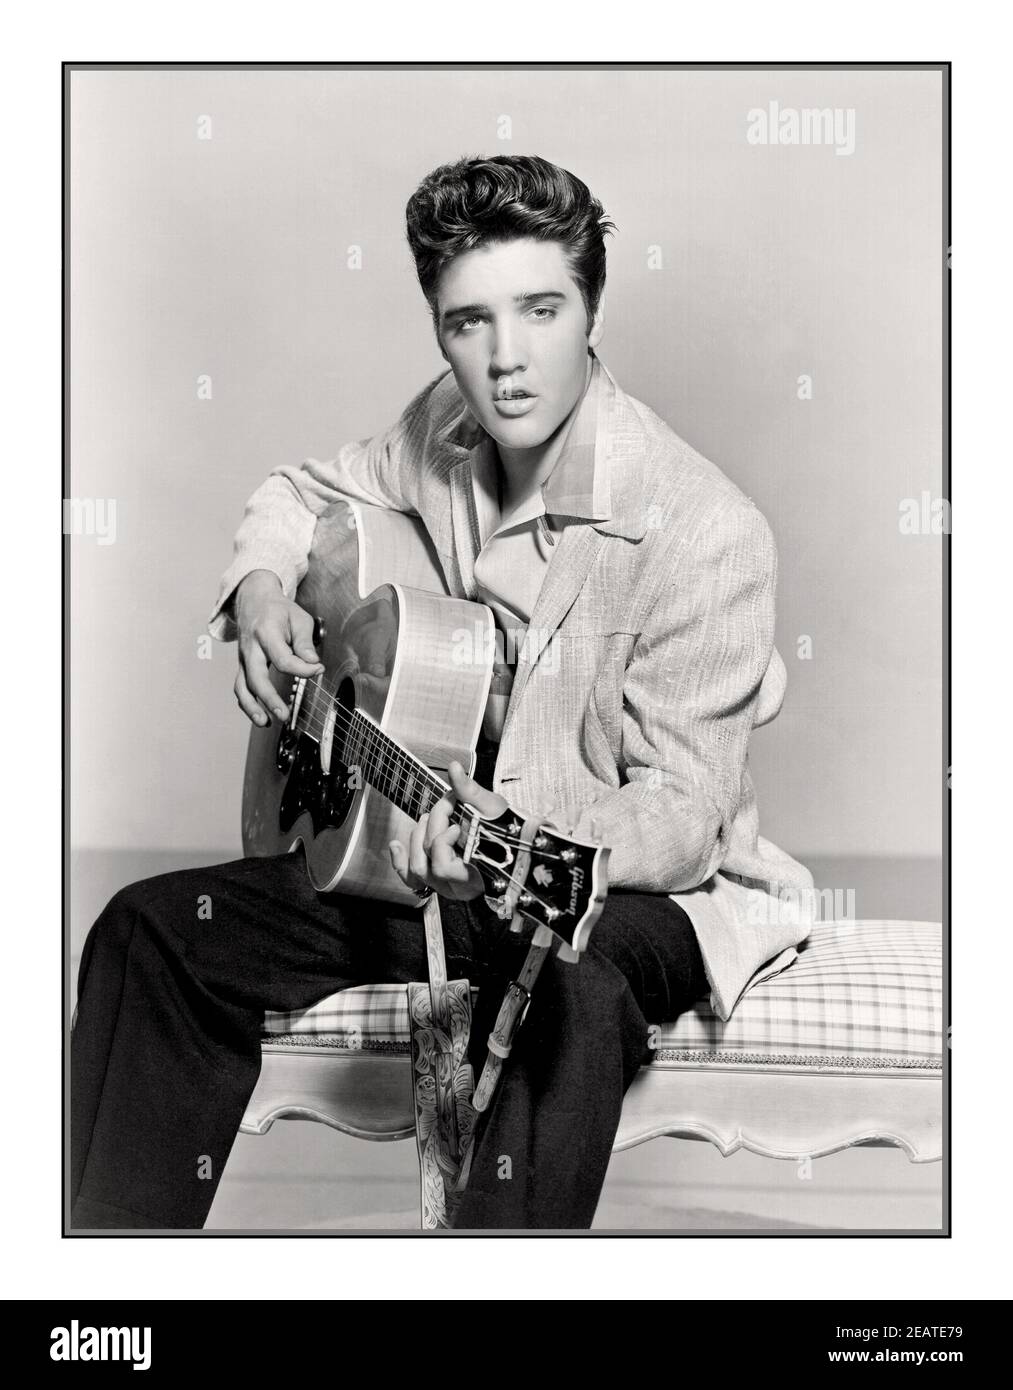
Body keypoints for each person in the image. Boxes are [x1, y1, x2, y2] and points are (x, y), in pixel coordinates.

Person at [70, 154, 814, 1231]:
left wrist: (509, 832)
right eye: (468, 322)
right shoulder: (442, 431)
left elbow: (680, 813)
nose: (505, 360)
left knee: (560, 981)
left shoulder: (703, 527)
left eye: (539, 310)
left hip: (633, 891)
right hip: (428, 860)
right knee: (150, 931)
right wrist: (261, 587)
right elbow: (301, 490)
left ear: (591, 306)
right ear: (436, 327)